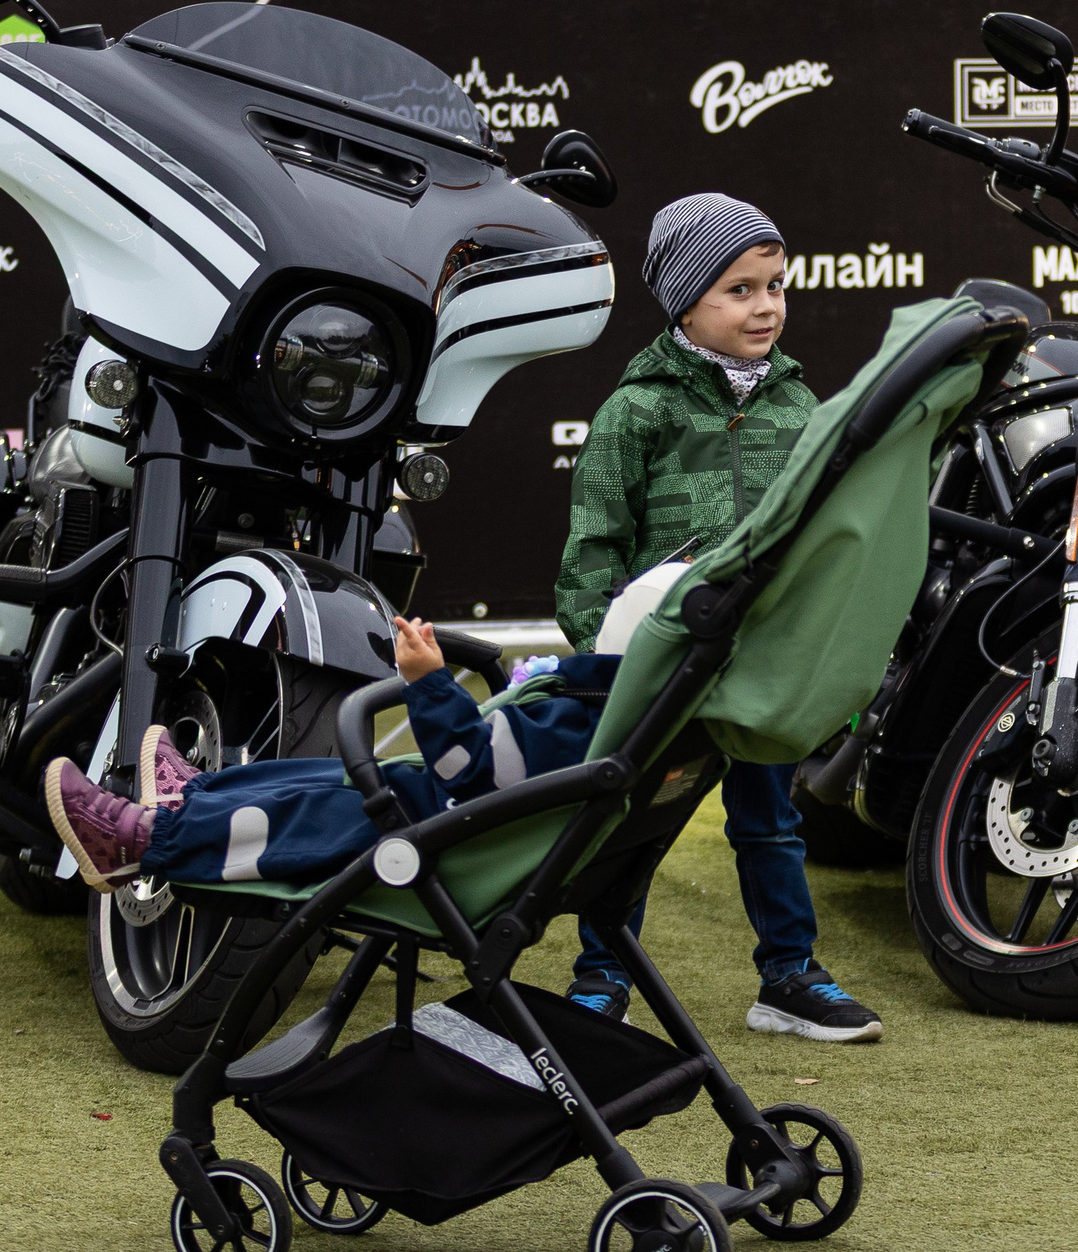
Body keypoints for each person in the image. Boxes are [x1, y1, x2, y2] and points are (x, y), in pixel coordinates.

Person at [554, 192, 884, 1043]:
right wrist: (604, 661)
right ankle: (600, 974)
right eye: (740, 288)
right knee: (626, 820)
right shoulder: (639, 410)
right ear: (685, 299)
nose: (767, 305)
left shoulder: (799, 407)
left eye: (776, 285)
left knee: (770, 819)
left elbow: (823, 541)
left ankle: (788, 975)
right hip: (658, 666)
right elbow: (593, 548)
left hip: (758, 665)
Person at [43, 615, 618, 890]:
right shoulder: (626, 724)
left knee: (304, 813)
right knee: (318, 776)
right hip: (462, 825)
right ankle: (185, 801)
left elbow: (468, 768)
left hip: (438, 841)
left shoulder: (581, 721)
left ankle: (138, 842)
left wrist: (428, 684)